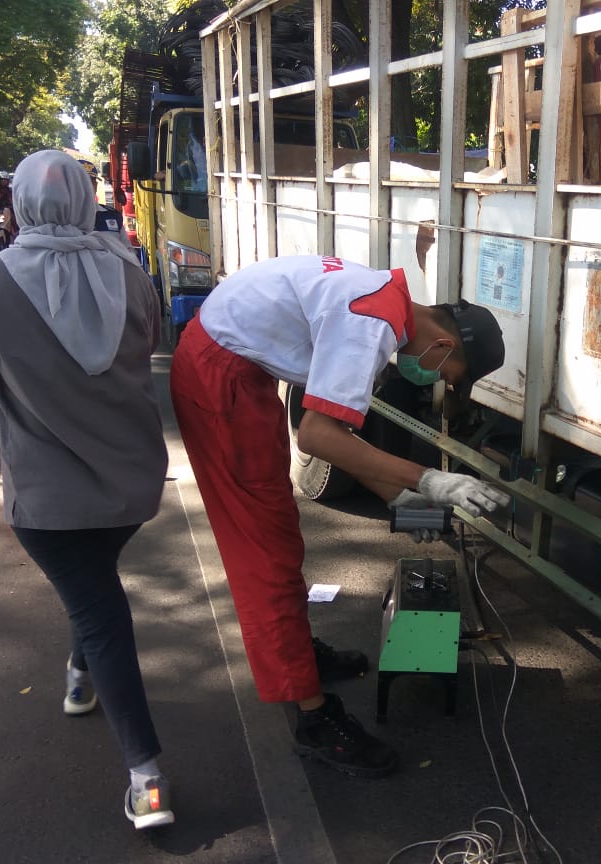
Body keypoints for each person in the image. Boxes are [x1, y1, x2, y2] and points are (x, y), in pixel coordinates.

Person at [0, 150, 174, 830]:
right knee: (94, 590)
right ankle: (80, 677)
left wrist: (1, 387)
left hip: (50, 501)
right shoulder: (129, 272)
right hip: (134, 486)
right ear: (87, 200)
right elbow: (144, 353)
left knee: (99, 613)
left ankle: (147, 779)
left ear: (19, 203)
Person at [169, 255, 510, 778]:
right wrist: (428, 479)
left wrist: (394, 496)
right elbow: (318, 437)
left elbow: (335, 435)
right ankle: (313, 717)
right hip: (219, 379)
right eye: (449, 376)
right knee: (264, 554)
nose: (435, 382)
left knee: (279, 529)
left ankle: (298, 652)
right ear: (443, 346)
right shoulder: (371, 325)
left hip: (235, 365)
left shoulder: (385, 301)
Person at [76, 157, 128, 241]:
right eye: (81, 182)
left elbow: (127, 250)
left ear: (96, 186)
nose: (87, 187)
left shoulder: (112, 216)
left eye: (91, 182)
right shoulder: (60, 219)